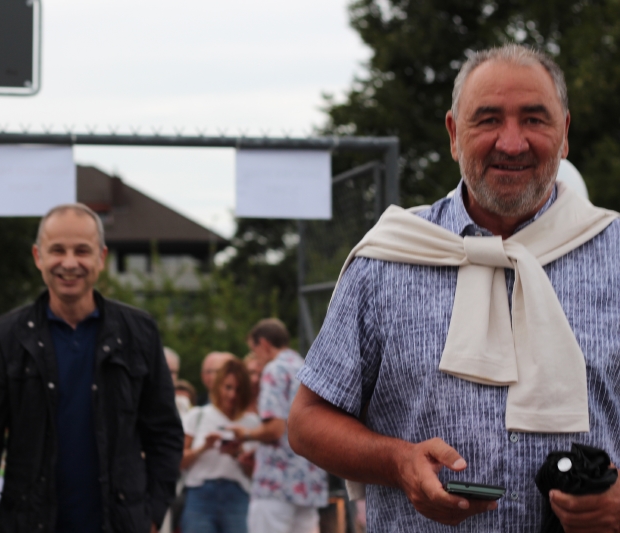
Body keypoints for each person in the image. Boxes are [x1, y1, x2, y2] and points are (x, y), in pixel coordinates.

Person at [288, 44, 620, 532]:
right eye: (488, 120)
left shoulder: (614, 253)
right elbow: (306, 422)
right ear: (453, 135)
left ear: (565, 133)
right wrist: (397, 461)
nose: (512, 143)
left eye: (534, 119)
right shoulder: (387, 260)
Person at [0, 203, 183, 533]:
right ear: (38, 256)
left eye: (82, 251)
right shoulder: (5, 337)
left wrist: (152, 515)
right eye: (57, 250)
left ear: (101, 257)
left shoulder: (139, 332)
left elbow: (165, 433)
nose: (70, 262)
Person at [232, 319, 327, 533]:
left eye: (254, 351)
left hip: (276, 483)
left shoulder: (274, 369)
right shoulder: (307, 367)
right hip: (309, 480)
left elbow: (275, 429)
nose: (256, 358)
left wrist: (245, 434)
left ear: (264, 344)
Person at [180, 358, 260, 533]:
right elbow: (178, 462)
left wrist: (239, 454)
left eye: (238, 389)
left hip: (237, 497)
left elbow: (256, 474)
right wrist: (204, 447)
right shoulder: (198, 415)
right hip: (200, 496)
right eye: (228, 387)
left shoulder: (252, 423)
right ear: (218, 386)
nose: (232, 395)